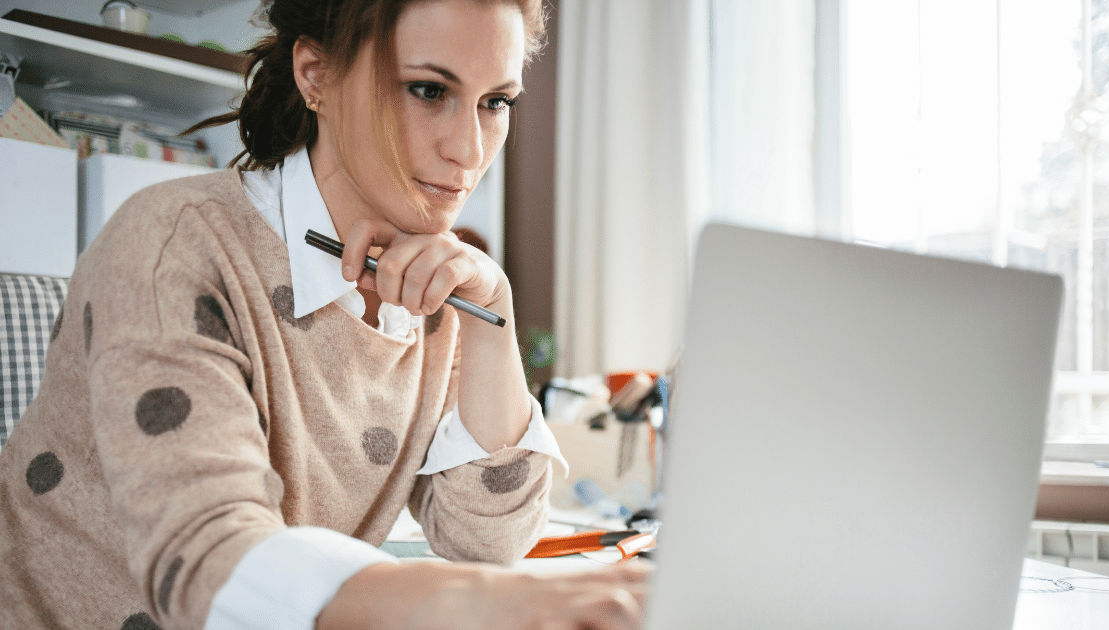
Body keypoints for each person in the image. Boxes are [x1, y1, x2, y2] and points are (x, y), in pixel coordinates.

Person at [0, 0, 649, 628]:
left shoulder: (437, 290)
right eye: (428, 90)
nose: (469, 149)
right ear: (317, 76)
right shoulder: (172, 243)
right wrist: (462, 600)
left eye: (495, 102)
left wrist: (491, 314)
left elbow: (487, 542)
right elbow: (204, 555)